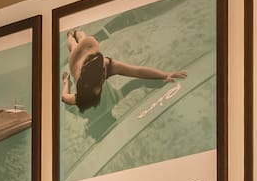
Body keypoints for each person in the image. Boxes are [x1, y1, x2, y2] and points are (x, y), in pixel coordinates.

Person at [59, 27, 187, 115]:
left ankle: (77, 33)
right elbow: (64, 97)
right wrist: (66, 82)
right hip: (76, 59)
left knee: (83, 39)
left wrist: (165, 75)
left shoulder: (106, 64)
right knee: (73, 46)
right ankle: (70, 35)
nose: (99, 87)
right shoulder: (83, 95)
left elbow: (138, 72)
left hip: (90, 49)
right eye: (98, 84)